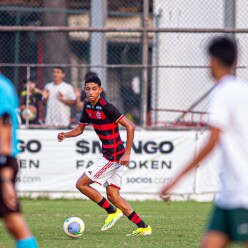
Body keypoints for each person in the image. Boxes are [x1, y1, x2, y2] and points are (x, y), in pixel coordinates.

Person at [160, 36, 248, 248]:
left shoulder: (222, 92)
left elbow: (212, 141)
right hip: (228, 194)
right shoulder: (241, 89)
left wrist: (177, 178)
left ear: (212, 61)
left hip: (243, 194)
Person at [58, 75, 152, 236]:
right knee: (113, 196)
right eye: (87, 89)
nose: (91, 92)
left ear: (100, 90)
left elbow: (130, 126)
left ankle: (112, 212)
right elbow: (80, 130)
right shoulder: (88, 107)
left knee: (81, 184)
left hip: (113, 156)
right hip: (113, 156)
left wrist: (127, 153)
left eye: (94, 89)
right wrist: (66, 134)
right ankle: (143, 227)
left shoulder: (107, 107)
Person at [0, 73, 38, 247]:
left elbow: (4, 128)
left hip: (3, 161)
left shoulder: (2, 87)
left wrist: (5, 176)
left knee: (14, 223)